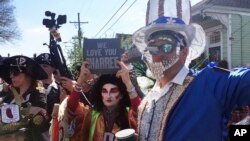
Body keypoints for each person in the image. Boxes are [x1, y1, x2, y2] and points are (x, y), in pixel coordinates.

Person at [132, 0, 250, 141]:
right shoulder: (150, 96)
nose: (158, 55)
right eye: (152, 48)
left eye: (167, 47)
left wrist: (238, 134)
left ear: (184, 52)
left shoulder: (209, 83)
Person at [56, 60, 141, 141]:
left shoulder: (128, 114)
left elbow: (140, 113)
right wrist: (81, 79)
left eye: (113, 91)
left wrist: (127, 82)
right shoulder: (92, 115)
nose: (108, 96)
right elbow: (71, 109)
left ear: (122, 95)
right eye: (104, 91)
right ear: (100, 94)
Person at [0, 55, 48, 141]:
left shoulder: (38, 93)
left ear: (28, 74)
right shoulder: (9, 96)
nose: (11, 76)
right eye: (10, 73)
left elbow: (38, 119)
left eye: (15, 73)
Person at [35, 53, 60, 141]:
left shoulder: (60, 88)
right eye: (39, 66)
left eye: (45, 66)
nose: (41, 68)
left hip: (53, 134)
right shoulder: (29, 87)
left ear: (53, 68)